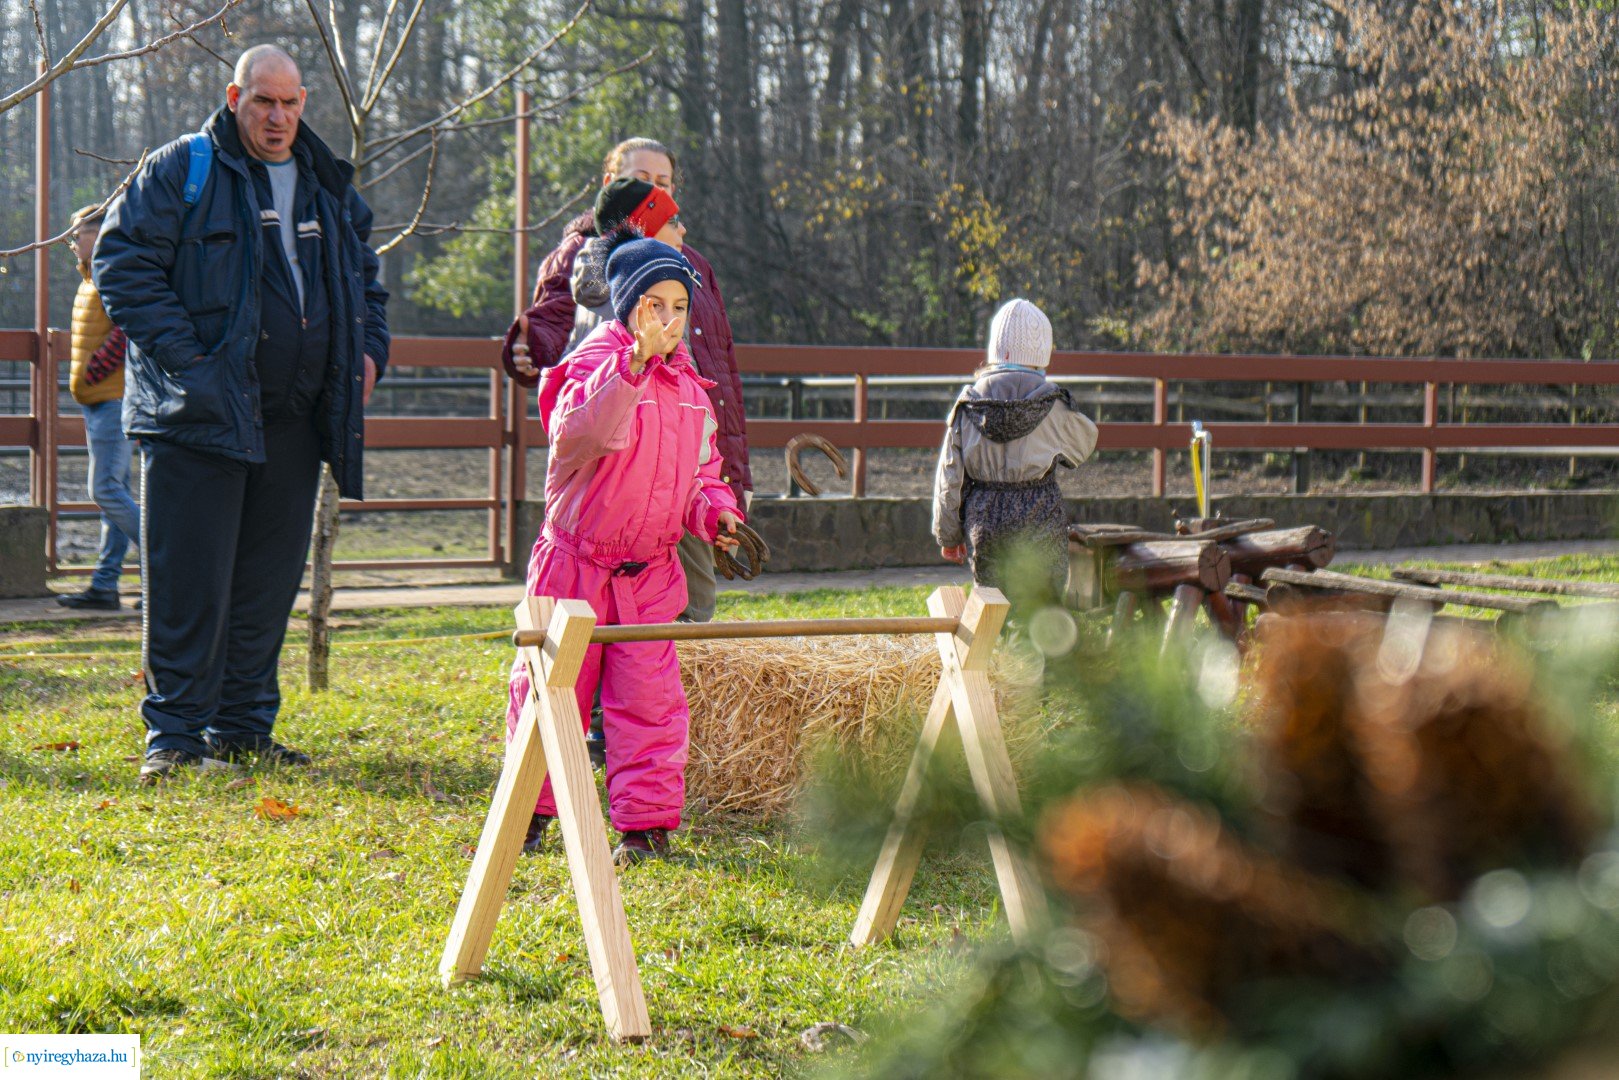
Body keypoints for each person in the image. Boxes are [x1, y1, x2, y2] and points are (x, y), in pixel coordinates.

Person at [94, 45, 390, 785]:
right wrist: (191, 363)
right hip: (199, 416)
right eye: (265, 101)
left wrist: (367, 360)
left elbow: (367, 284)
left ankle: (243, 727)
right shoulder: (181, 168)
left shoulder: (327, 183)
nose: (279, 117)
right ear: (235, 96)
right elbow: (122, 261)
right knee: (188, 580)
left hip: (294, 418)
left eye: (291, 103)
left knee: (264, 582)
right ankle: (175, 736)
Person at [506, 233, 743, 866]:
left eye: (679, 308)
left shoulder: (693, 388)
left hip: (651, 576)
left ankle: (646, 828)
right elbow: (580, 436)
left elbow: (702, 474)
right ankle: (528, 813)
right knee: (550, 696)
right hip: (575, 567)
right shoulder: (590, 366)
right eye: (654, 306)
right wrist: (631, 367)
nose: (668, 321)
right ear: (627, 308)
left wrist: (716, 514)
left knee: (650, 705)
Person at [501, 138, 749, 624]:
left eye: (662, 184)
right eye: (638, 183)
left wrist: (733, 471)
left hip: (685, 453)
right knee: (603, 616)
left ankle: (670, 698)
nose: (652, 192)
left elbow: (720, 364)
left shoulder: (695, 264)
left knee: (690, 602)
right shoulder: (589, 254)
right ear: (610, 187)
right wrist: (530, 345)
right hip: (618, 462)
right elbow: (560, 315)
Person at [932, 299, 1098, 606]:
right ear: (1042, 352)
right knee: (1043, 606)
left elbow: (949, 478)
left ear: (997, 350)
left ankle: (999, 650)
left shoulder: (967, 406)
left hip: (984, 517)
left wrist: (949, 536)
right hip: (1039, 513)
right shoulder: (1054, 405)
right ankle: (1039, 652)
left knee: (993, 605)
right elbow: (1084, 445)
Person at [58, 205, 140, 611]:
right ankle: (105, 585)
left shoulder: (111, 271)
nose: (73, 242)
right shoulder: (92, 276)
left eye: (78, 235)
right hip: (99, 400)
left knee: (104, 489)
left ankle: (171, 566)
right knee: (116, 492)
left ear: (100, 232)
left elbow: (129, 326)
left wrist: (96, 369)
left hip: (112, 399)